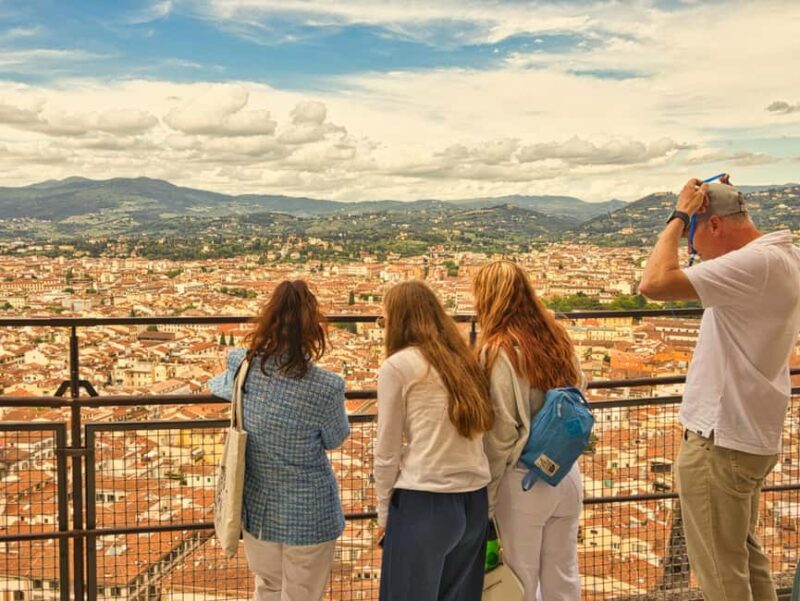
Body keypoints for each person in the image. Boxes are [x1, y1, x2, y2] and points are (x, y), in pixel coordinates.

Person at [639, 176, 800, 601]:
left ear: (713, 225)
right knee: (744, 557)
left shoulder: (755, 264)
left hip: (720, 440)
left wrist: (679, 215)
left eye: (692, 240)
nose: (692, 253)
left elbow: (652, 284)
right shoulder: (784, 256)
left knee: (720, 573)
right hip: (749, 435)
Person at [209, 280, 349, 601]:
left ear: (268, 318)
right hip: (310, 514)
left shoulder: (243, 366)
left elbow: (219, 387)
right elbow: (335, 438)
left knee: (268, 588)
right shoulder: (326, 387)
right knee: (302, 595)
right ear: (313, 328)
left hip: (259, 510)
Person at [374, 280, 494, 601]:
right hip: (474, 501)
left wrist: (384, 513)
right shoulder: (464, 361)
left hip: (425, 501)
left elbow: (386, 450)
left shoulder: (398, 367)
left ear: (397, 320)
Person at [473, 260, 585, 601]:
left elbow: (501, 434)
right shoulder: (557, 338)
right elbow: (580, 389)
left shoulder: (498, 351)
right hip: (565, 473)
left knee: (519, 582)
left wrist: (487, 500)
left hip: (524, 479)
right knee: (563, 577)